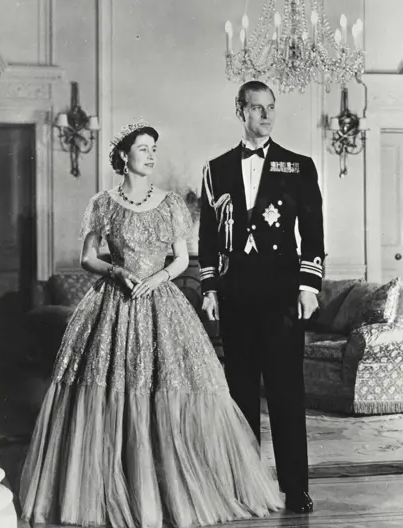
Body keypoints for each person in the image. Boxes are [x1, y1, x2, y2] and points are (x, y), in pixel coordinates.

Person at [19, 120, 283, 528]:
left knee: (168, 384)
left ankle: (168, 489)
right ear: (124, 156)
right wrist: (116, 273)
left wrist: (159, 278)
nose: (151, 155)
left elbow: (181, 258)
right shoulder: (103, 203)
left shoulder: (172, 203)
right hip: (114, 301)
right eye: (144, 148)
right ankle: (115, 484)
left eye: (154, 148)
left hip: (161, 300)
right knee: (110, 390)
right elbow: (88, 257)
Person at [198, 80, 325, 515]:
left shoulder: (299, 166)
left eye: (271, 108)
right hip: (236, 296)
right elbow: (209, 237)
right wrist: (210, 287)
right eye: (256, 108)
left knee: (287, 392)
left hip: (281, 296)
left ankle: (296, 487)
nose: (266, 116)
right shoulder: (216, 169)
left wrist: (310, 287)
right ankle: (245, 483)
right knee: (240, 394)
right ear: (241, 111)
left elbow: (313, 233)